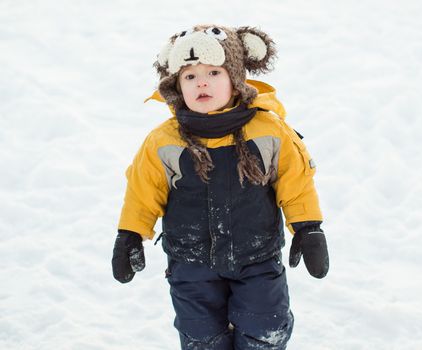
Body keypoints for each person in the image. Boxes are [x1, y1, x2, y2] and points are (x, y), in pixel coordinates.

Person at [112, 24, 329, 350]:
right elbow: (143, 191)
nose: (201, 81)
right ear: (176, 86)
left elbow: (296, 181)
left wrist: (308, 228)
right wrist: (130, 233)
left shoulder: (268, 130)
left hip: (257, 257)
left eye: (214, 72)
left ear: (236, 77)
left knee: (264, 327)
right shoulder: (163, 141)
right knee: (201, 336)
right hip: (191, 262)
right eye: (189, 76)